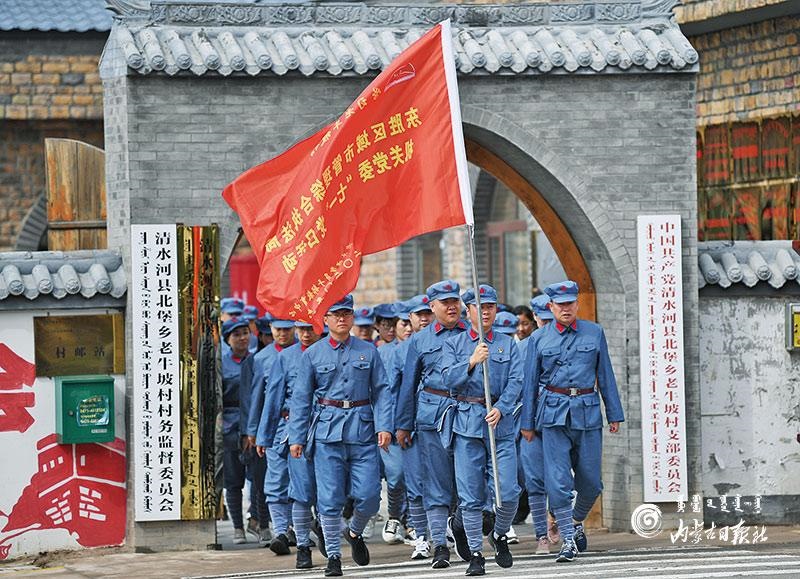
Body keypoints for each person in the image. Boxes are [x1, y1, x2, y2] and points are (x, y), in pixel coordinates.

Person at [289, 295, 393, 577]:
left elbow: (381, 391)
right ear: (325, 319)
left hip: (363, 429)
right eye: (335, 314)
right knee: (330, 497)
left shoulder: (368, 351)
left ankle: (354, 532)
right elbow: (301, 398)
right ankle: (333, 556)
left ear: (353, 317)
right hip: (327, 431)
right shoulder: (313, 354)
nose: (342, 319)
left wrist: (384, 426)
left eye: (346, 313)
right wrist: (296, 437)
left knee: (369, 496)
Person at [520, 280, 625, 563]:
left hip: (587, 411)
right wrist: (527, 423)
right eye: (560, 305)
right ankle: (568, 539)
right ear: (551, 306)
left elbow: (605, 374)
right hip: (552, 415)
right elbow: (529, 383)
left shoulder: (594, 332)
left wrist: (614, 413)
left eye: (570, 304)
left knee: (591, 482)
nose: (565, 309)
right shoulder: (538, 339)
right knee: (558, 482)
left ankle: (575, 520)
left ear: (577, 305)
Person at [442, 285, 522, 576]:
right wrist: (471, 361)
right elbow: (447, 380)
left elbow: (516, 380)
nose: (485, 312)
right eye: (479, 306)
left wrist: (502, 407)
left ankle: (499, 534)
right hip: (467, 423)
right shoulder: (454, 343)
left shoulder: (507, 344)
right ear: (468, 311)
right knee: (471, 494)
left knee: (509, 491)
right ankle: (476, 553)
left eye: (490, 306)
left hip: (499, 424)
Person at [395, 280, 469, 569]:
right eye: (445, 303)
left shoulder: (473, 333)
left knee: (469, 480)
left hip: (468, 412)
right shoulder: (420, 340)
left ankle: (461, 527)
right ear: (433, 307)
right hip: (432, 415)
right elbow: (408, 384)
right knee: (436, 483)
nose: (451, 307)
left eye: (455, 301)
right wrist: (403, 424)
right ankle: (439, 544)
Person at [257, 321, 322, 569]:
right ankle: (282, 532)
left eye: (310, 328)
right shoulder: (285, 357)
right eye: (301, 329)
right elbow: (272, 397)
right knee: (282, 482)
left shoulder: (330, 352)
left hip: (324, 427)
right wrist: (264, 435)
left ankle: (321, 526)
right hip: (287, 428)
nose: (305, 333)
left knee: (323, 484)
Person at [244, 317, 298, 544]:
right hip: (276, 424)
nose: (282, 334)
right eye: (278, 329)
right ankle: (281, 531)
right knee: (275, 479)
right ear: (271, 329)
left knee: (300, 480)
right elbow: (257, 397)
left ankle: (298, 528)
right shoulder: (261, 358)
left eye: (287, 329)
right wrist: (254, 430)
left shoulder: (307, 352)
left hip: (303, 424)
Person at [389, 294, 434, 560]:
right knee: (415, 485)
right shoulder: (399, 352)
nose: (425, 319)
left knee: (446, 483)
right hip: (412, 425)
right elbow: (393, 393)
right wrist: (396, 426)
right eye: (419, 315)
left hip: (441, 422)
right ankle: (421, 537)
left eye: (428, 313)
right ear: (410, 318)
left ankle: (446, 531)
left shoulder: (451, 342)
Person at [220, 317, 253, 544]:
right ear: (228, 339)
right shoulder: (222, 364)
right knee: (233, 481)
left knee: (260, 480)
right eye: (236, 334)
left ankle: (259, 521)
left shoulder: (258, 361)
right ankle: (238, 528)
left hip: (255, 424)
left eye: (245, 333)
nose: (242, 338)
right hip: (230, 426)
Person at [376, 301, 407, 545]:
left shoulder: (427, 346)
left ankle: (415, 523)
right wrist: (384, 425)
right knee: (396, 475)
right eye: (403, 323)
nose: (407, 328)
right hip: (394, 423)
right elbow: (382, 393)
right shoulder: (383, 353)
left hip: (423, 421)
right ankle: (395, 516)